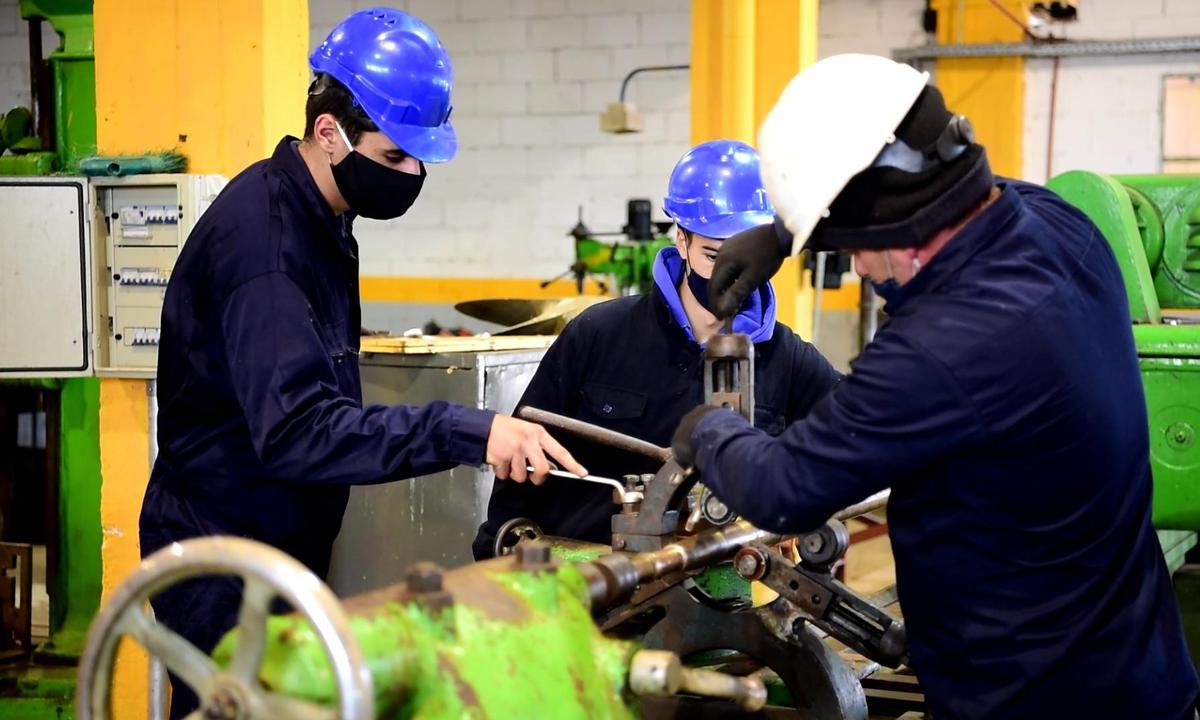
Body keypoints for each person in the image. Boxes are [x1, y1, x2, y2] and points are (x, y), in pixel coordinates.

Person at [672, 54, 1200, 720]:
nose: (858, 269)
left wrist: (707, 430)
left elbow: (784, 487)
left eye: (855, 244)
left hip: (1032, 698)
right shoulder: (1061, 225)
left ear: (895, 221)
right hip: (1138, 668)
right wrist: (787, 232)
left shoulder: (946, 345)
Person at [140, 9, 583, 718]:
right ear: (329, 132)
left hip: (275, 540)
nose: (412, 175)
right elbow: (297, 431)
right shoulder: (266, 246)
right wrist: (469, 431)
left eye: (419, 160)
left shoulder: (322, 215)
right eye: (395, 157)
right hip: (220, 554)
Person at [473, 140, 840, 559]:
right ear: (681, 240)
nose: (735, 275)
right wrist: (497, 553)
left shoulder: (788, 359)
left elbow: (859, 437)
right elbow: (522, 460)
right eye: (714, 255)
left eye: (752, 258)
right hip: (585, 579)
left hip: (707, 588)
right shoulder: (598, 335)